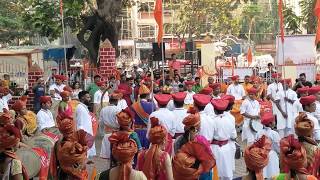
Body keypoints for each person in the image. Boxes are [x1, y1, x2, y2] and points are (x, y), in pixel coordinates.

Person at [173, 108, 215, 180]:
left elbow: (177, 159)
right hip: (199, 174)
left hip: (182, 174)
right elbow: (209, 158)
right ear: (197, 127)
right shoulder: (201, 140)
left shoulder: (178, 140)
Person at [211, 98, 237, 180]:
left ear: (214, 109)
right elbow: (234, 136)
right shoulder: (230, 120)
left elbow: (210, 136)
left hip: (214, 148)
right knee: (227, 171)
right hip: (227, 147)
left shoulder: (212, 121)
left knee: (216, 172)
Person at [256, 112, 280, 179]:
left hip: (261, 155)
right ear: (270, 123)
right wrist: (279, 153)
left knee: (264, 173)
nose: (275, 122)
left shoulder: (259, 132)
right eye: (274, 121)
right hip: (272, 155)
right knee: (273, 174)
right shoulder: (274, 133)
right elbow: (278, 146)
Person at [131, 85, 155, 149]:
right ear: (147, 95)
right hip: (148, 131)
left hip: (137, 132)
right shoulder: (152, 105)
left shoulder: (134, 105)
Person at [99, 92, 122, 159]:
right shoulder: (118, 109)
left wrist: (102, 133)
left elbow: (101, 123)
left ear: (109, 101)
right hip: (117, 134)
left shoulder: (103, 109)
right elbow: (119, 122)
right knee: (117, 156)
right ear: (117, 101)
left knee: (108, 156)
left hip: (107, 134)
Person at [75, 91, 96, 157]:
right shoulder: (80, 108)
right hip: (84, 135)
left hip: (87, 134)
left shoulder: (84, 107)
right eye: (88, 97)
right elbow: (80, 124)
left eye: (89, 97)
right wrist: (82, 137)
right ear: (82, 98)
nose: (89, 99)